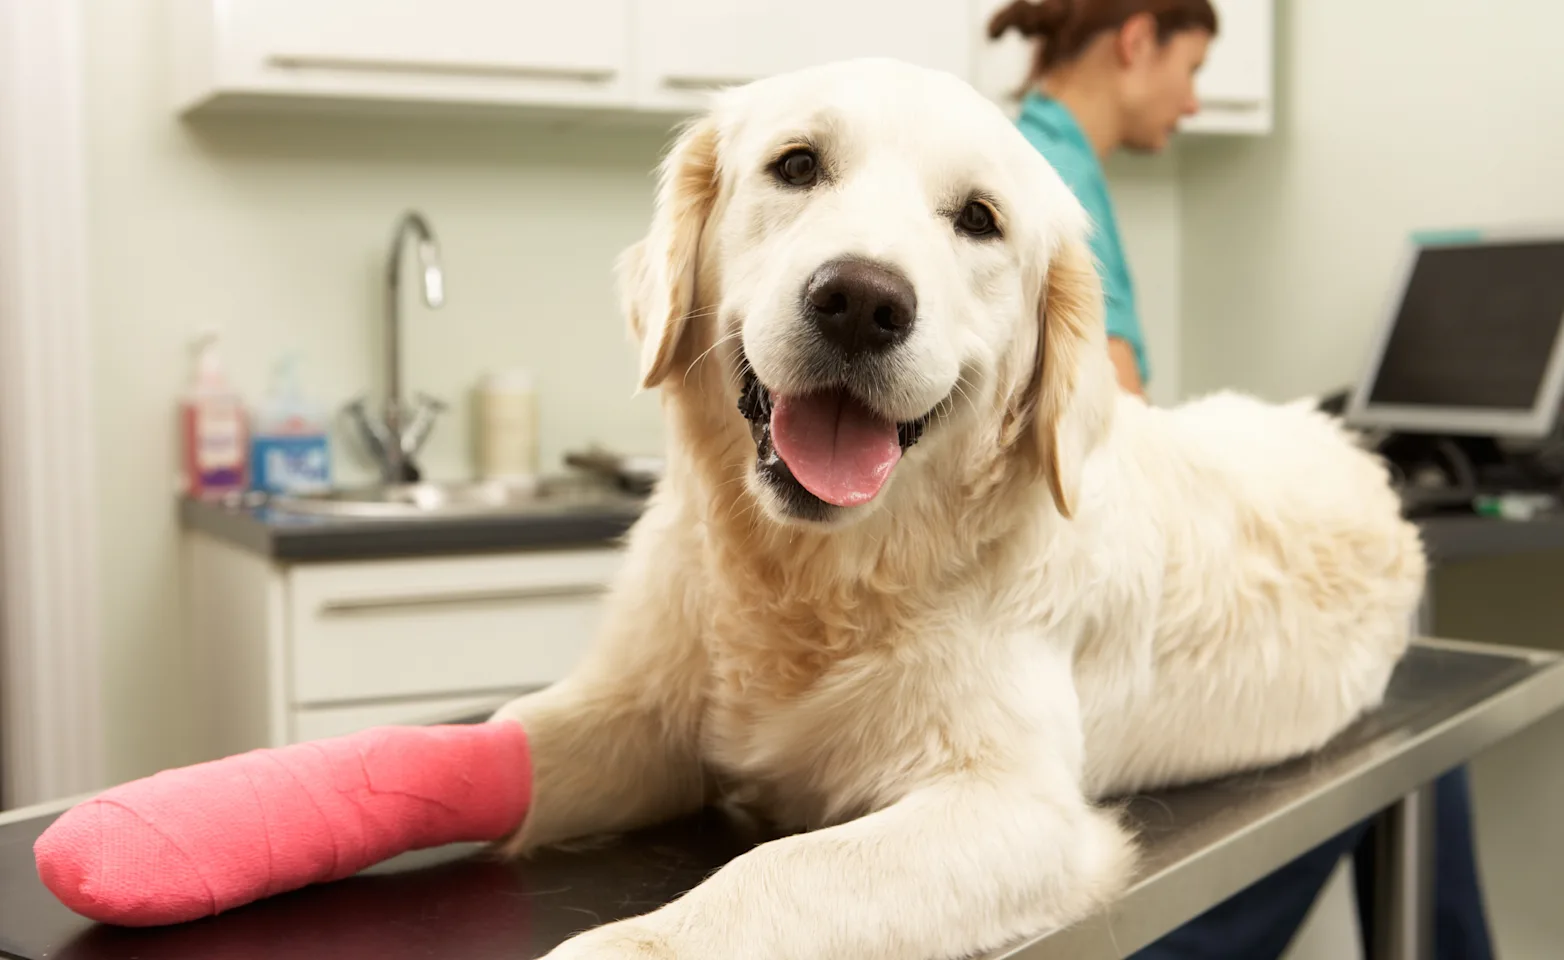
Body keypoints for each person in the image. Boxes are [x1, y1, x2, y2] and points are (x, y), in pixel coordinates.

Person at [988, 2, 1496, 958]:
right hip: (1047, 638)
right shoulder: (1042, 182)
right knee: (1399, 739)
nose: (1192, 99)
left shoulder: (1035, 161)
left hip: (1061, 615)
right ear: (1138, 40)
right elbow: (1112, 436)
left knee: (1403, 728)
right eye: (1191, 65)